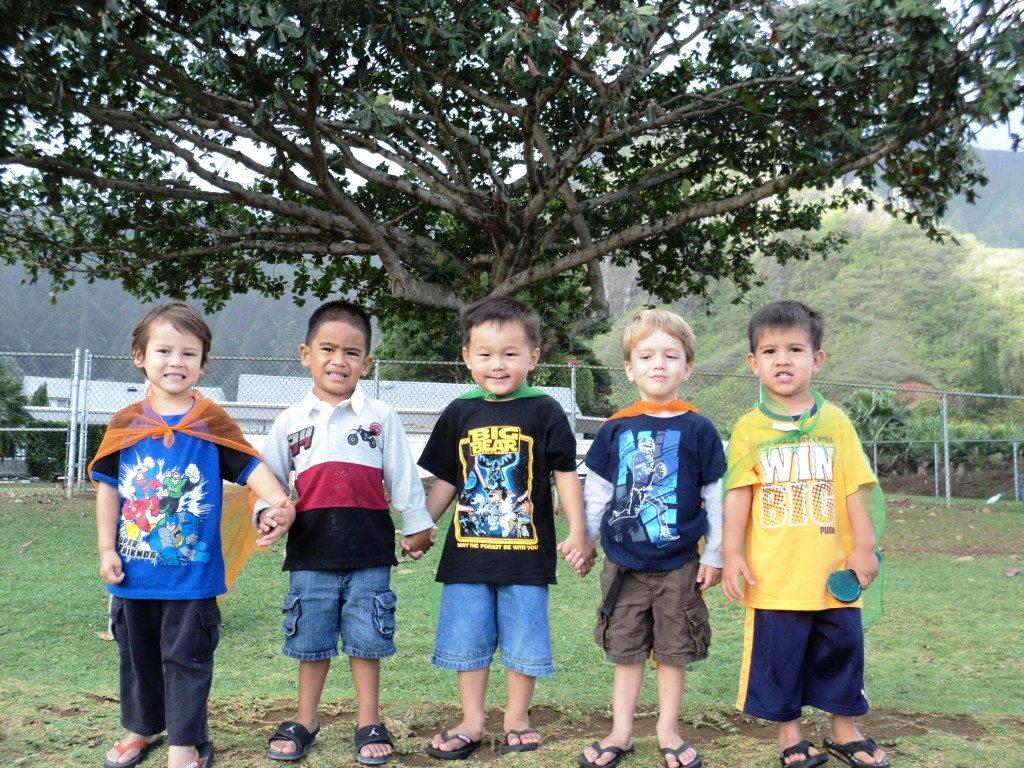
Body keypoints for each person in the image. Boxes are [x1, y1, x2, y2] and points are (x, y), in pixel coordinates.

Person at [89, 302, 295, 768]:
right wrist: (105, 549)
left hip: (192, 578)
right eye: (164, 350)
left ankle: (185, 742)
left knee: (188, 659)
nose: (176, 362)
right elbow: (108, 491)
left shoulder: (211, 422)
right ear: (140, 356)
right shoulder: (125, 422)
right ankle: (141, 728)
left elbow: (250, 466)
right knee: (137, 658)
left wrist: (279, 505)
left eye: (189, 353)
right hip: (133, 576)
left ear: (203, 363)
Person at [410, 296, 594, 759]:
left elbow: (564, 473)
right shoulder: (459, 412)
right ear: (467, 357)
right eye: (486, 354)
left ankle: (516, 718)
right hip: (466, 558)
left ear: (533, 357)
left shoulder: (545, 410)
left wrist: (578, 531)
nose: (497, 364)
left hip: (527, 558)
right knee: (467, 639)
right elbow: (448, 478)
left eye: (510, 353)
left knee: (524, 639)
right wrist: (420, 525)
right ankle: (471, 721)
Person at [257, 300, 434, 766]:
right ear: (305, 354)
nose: (339, 360)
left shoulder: (381, 417)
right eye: (328, 349)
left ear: (367, 362)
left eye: (352, 353)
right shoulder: (290, 420)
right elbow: (268, 482)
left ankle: (368, 720)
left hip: (369, 552)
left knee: (366, 640)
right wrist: (269, 514)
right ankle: (305, 719)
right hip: (310, 553)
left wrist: (417, 525)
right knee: (310, 641)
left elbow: (403, 477)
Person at [722, 300, 889, 768]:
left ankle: (843, 729)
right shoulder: (748, 429)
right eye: (770, 351)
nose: (783, 360)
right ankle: (790, 734)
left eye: (795, 350)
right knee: (780, 659)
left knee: (842, 651)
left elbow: (855, 488)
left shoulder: (835, 422)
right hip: (774, 576)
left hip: (834, 574)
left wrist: (864, 548)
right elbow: (738, 494)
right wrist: (731, 552)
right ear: (753, 362)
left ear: (816, 359)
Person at [579, 310, 725, 768]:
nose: (658, 364)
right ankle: (620, 732)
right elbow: (597, 492)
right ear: (630, 368)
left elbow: (715, 497)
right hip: (623, 566)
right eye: (646, 356)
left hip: (679, 565)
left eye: (670, 355)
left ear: (688, 367)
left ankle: (668, 731)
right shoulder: (615, 427)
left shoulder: (699, 428)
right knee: (626, 652)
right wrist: (585, 539)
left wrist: (715, 553)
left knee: (672, 653)